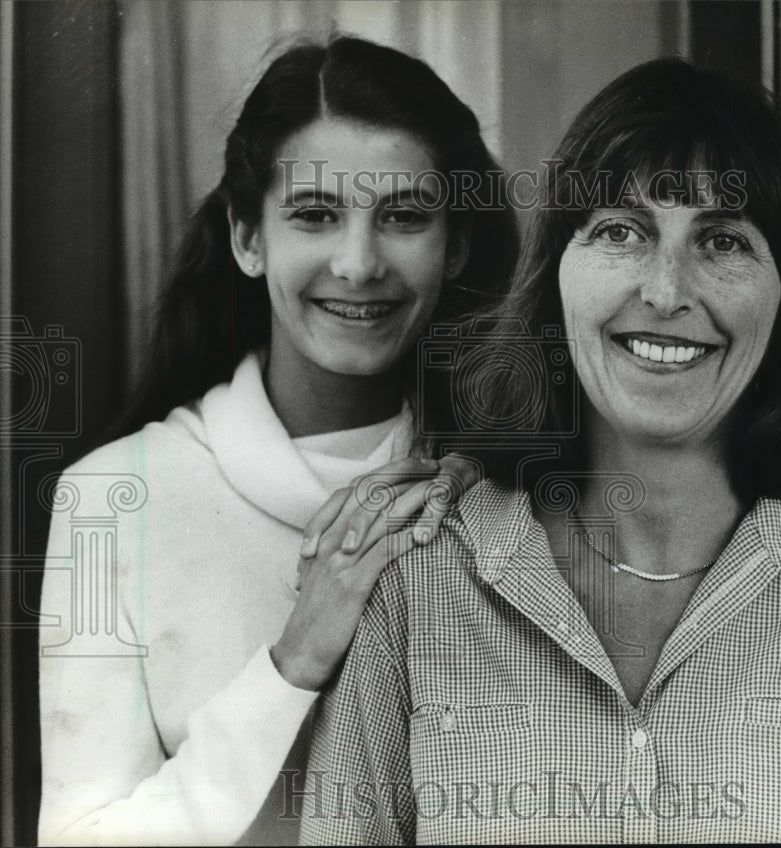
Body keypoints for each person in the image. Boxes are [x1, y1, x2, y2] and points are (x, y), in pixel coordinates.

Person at [300, 58, 781, 844]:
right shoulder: (420, 569)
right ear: (556, 272)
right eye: (620, 231)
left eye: (723, 239)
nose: (665, 290)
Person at [37, 35, 518, 846]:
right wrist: (293, 659)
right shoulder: (108, 500)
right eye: (315, 215)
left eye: (403, 216)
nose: (359, 264)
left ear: (457, 244)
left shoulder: (502, 494)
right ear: (247, 237)